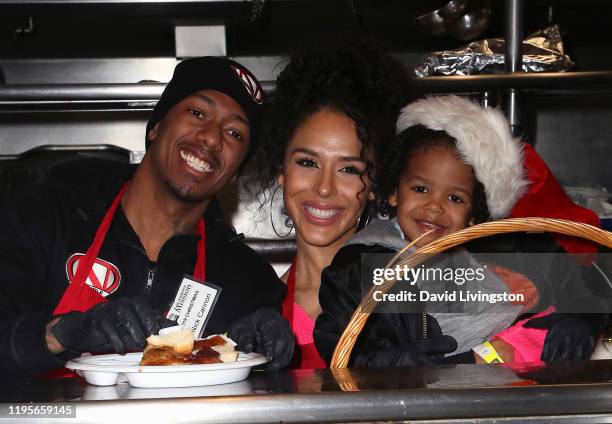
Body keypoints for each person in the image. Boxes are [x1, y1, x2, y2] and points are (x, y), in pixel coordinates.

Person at [0, 57, 293, 376]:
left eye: (235, 133)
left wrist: (256, 360)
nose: (212, 138)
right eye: (197, 113)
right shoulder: (47, 214)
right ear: (155, 127)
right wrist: (60, 333)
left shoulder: (247, 281)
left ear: (237, 170)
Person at [314, 95, 609, 367]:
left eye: (454, 198)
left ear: (473, 215)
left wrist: (582, 318)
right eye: (420, 189)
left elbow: (589, 289)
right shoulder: (362, 266)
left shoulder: (509, 250)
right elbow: (337, 342)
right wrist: (387, 364)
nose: (434, 206)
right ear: (393, 192)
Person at [254, 42, 412, 368]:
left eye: (348, 169)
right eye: (307, 163)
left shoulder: (408, 286)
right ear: (281, 170)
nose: (324, 188)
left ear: (374, 185)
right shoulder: (259, 307)